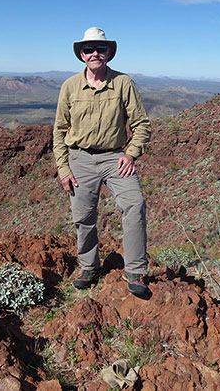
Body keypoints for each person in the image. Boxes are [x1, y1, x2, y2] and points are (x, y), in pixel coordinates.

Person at [53, 27, 152, 298]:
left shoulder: (123, 83)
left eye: (100, 49)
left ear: (108, 53)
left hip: (115, 156)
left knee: (134, 203)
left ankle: (135, 271)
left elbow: (142, 124)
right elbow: (59, 130)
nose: (95, 53)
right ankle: (88, 266)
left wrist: (131, 154)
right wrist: (63, 168)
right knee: (83, 216)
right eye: (89, 49)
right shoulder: (70, 86)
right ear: (81, 55)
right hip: (79, 158)